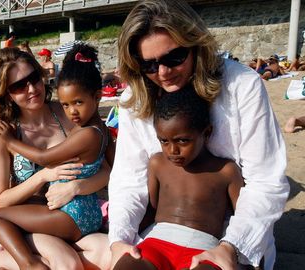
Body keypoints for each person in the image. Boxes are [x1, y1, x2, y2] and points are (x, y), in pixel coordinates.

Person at [108, 1, 288, 270]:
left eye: (174, 58)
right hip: (162, 237)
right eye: (149, 65)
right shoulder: (135, 100)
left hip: (230, 239)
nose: (163, 73)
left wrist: (231, 247)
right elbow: (128, 181)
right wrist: (118, 240)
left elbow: (265, 182)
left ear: (196, 45)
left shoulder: (242, 86)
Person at [0, 47, 111, 270]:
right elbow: (0, 201)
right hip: (29, 222)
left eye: (34, 78)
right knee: (68, 265)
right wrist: (43, 176)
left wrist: (78, 187)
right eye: (19, 86)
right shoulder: (4, 133)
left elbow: (106, 169)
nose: (32, 89)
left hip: (71, 212)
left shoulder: (68, 112)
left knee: (109, 253)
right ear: (6, 93)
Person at [113, 86, 244, 270]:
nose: (172, 151)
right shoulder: (157, 163)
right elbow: (151, 208)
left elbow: (243, 217)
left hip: (204, 250)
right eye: (164, 141)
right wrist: (126, 239)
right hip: (156, 243)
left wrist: (251, 260)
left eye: (183, 141)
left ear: (206, 133)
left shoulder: (226, 171)